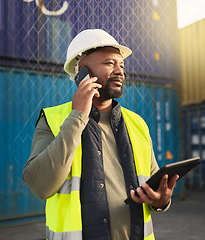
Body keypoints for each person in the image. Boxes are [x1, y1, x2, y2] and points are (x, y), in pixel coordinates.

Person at [23, 29, 178, 240]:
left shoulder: (137, 123)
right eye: (109, 63)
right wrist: (78, 115)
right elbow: (40, 186)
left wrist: (161, 201)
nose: (119, 71)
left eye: (121, 65)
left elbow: (154, 188)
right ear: (81, 71)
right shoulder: (53, 119)